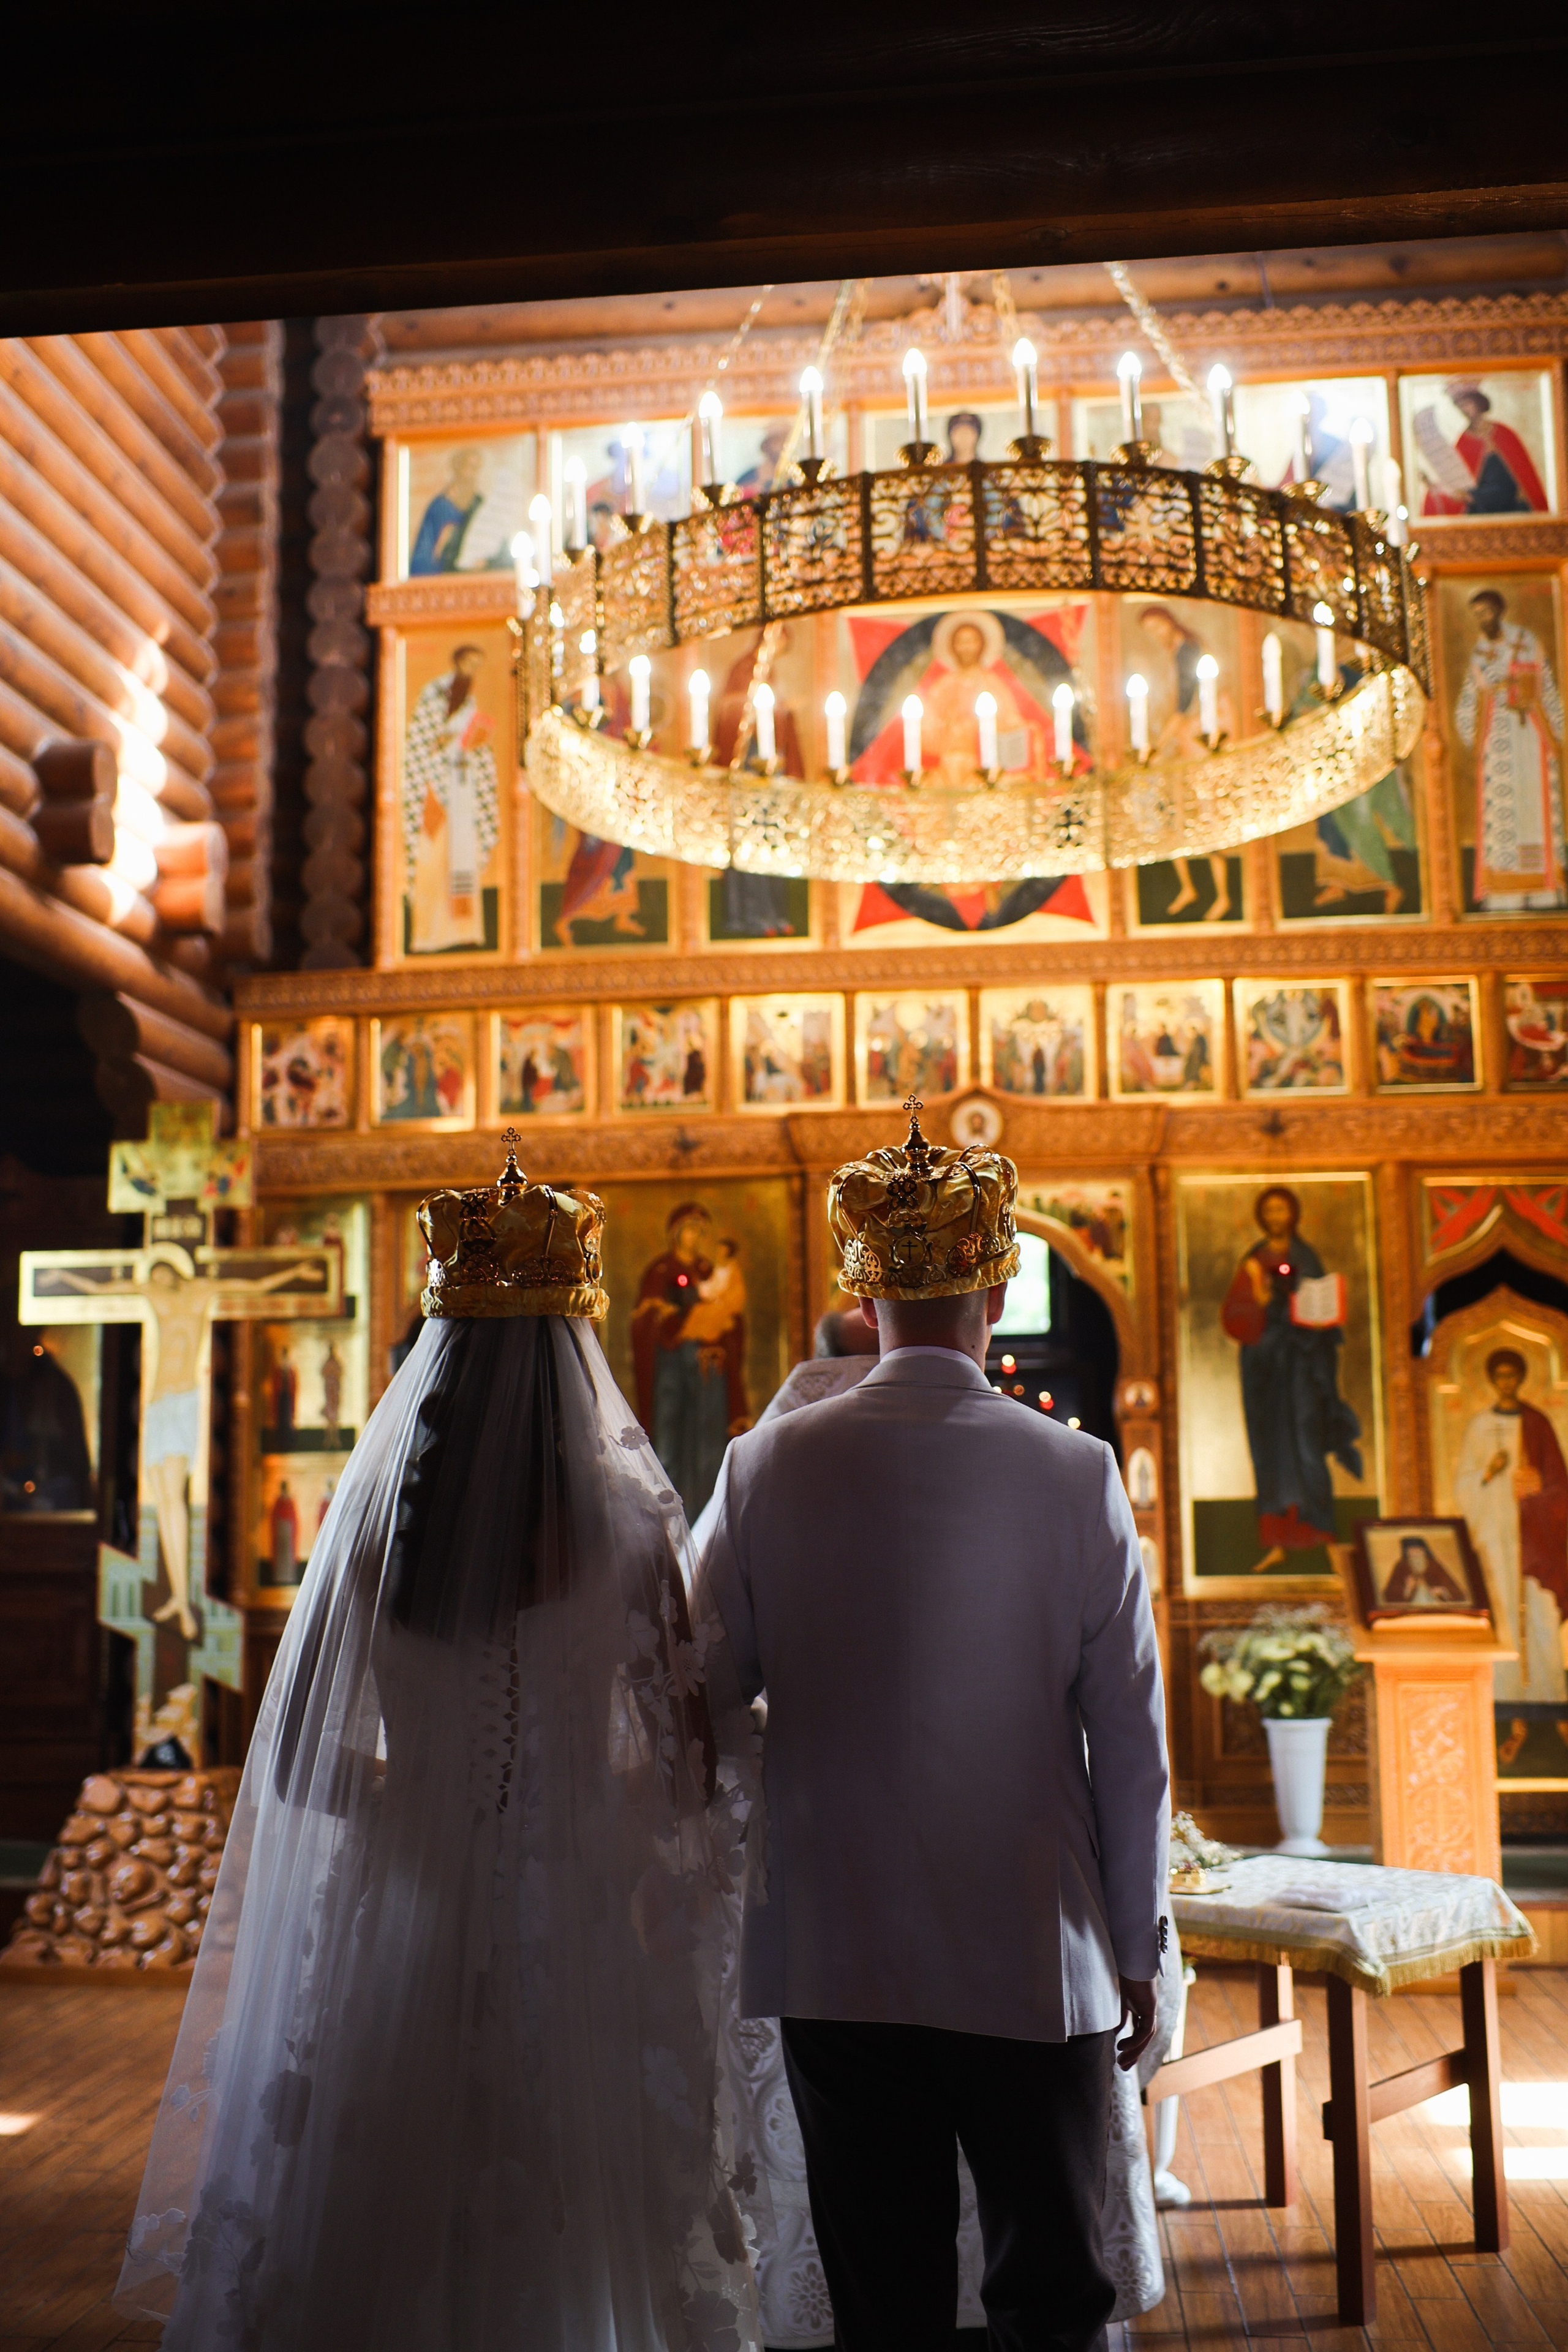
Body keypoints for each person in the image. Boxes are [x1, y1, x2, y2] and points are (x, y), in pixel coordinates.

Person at [116, 1142, 762, 2352]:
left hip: (406, 1919)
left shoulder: (375, 1536)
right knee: (581, 2213)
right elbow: (684, 1772)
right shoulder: (631, 1530)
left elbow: (304, 1760)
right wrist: (572, 1806)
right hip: (578, 1929)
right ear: (577, 1354)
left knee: (384, 2204)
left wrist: (427, 1793)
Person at [695, 1101, 1169, 2352]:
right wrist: (1137, 1946)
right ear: (995, 1295)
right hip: (1033, 1941)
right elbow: (1127, 1743)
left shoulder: (764, 1465)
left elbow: (696, 1687)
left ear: (865, 1303)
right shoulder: (1074, 1472)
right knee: (1047, 2296)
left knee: (883, 2299)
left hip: (832, 1941)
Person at [1221, 1186, 1362, 1572]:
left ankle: (1323, 1537)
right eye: (1270, 1211)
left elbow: (1321, 1306)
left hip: (1303, 1367)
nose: (1277, 1217)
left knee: (1307, 1443)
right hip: (1266, 1372)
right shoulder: (1253, 1262)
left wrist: (1318, 1317)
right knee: (1271, 1449)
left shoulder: (1306, 1258)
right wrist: (1261, 1301)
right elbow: (1235, 1315)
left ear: (1294, 1214)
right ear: (1262, 1217)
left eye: (1283, 1210)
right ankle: (1276, 1542)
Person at [1455, 1346, 1568, 1701]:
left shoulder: (1537, 1422)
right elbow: (1462, 1485)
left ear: (1521, 1378)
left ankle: (1549, 1698)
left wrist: (1538, 1485)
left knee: (1541, 1613)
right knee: (1501, 1608)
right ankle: (1504, 1699)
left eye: (1512, 1375)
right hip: (1495, 1532)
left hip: (1535, 1537)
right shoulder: (1480, 1425)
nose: (1506, 1382)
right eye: (1500, 1376)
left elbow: (1560, 1484)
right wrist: (1489, 1473)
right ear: (1491, 1380)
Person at [1453, 587, 1567, 910]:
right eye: (1476, 615)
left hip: (1530, 735)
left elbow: (1545, 686)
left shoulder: (1526, 642)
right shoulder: (1479, 653)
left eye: (1486, 612)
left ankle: (1544, 889)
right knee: (1504, 810)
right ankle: (1505, 891)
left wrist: (1553, 728)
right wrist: (1479, 718)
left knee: (1535, 805)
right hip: (1498, 741)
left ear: (1499, 611)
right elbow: (1469, 698)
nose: (1482, 620)